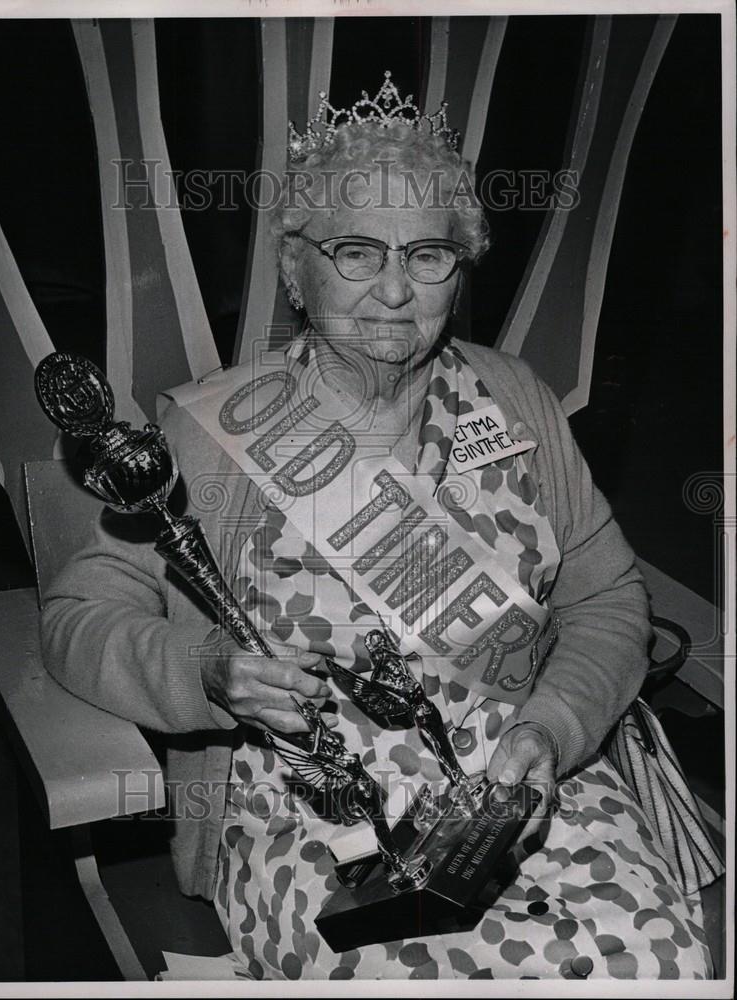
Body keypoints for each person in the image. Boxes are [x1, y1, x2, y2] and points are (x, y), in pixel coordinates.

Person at [41, 72, 712, 980]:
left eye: (428, 255)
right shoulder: (207, 441)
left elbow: (604, 598)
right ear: (294, 267)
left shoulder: (515, 399)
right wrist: (200, 673)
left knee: (652, 957)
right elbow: (76, 619)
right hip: (311, 805)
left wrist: (553, 728)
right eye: (355, 252)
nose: (395, 290)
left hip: (525, 777)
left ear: (459, 267)